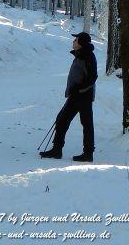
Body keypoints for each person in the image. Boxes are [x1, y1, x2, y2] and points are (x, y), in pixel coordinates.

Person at [39, 31, 97, 162]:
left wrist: (79, 89)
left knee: (85, 124)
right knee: (62, 120)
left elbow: (93, 77)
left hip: (83, 96)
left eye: (75, 40)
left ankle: (87, 153)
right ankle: (57, 150)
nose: (73, 42)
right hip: (77, 95)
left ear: (81, 43)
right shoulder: (81, 55)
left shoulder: (87, 56)